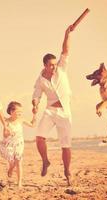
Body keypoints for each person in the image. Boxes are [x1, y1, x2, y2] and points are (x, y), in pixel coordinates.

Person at [32, 25, 74, 185]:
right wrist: (35, 105)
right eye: (50, 65)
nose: (53, 67)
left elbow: (65, 50)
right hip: (50, 111)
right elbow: (36, 95)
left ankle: (67, 171)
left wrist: (67, 34)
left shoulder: (61, 69)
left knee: (66, 145)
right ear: (44, 65)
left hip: (64, 112)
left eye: (54, 64)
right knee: (39, 137)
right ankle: (45, 160)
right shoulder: (40, 79)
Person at [0, 101, 36, 187]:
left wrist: (34, 115)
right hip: (9, 145)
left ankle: (19, 183)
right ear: (11, 112)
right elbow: (4, 135)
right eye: (18, 112)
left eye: (21, 112)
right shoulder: (7, 121)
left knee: (19, 161)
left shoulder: (21, 120)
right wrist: (8, 133)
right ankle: (11, 169)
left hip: (19, 144)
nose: (20, 114)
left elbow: (32, 125)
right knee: (12, 162)